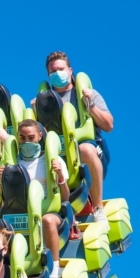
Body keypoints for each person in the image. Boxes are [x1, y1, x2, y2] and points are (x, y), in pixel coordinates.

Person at [0, 120, 69, 278]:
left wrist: (60, 176)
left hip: (49, 212)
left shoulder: (52, 160)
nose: (26, 142)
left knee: (47, 220)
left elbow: (66, 196)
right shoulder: (14, 162)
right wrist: (1, 181)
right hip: (22, 213)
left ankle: (53, 273)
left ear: (39, 137)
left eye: (31, 138)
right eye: (22, 138)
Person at [40, 51, 113, 221]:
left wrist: (91, 106)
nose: (57, 73)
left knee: (85, 148)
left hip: (89, 147)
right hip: (60, 153)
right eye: (53, 71)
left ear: (70, 70)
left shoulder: (86, 92)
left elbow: (109, 125)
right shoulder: (45, 101)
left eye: (60, 69)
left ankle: (98, 208)